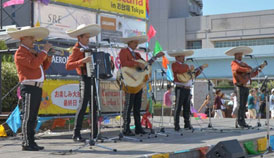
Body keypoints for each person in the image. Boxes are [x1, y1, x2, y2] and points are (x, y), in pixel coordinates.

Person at [7, 26, 52, 151]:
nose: (33, 40)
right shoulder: (20, 53)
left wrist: (48, 55)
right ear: (23, 39)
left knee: (33, 116)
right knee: (28, 116)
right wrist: (44, 52)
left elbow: (44, 66)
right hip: (29, 87)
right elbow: (33, 64)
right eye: (30, 38)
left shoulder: (32, 52)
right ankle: (26, 142)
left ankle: (31, 142)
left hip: (36, 88)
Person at [65, 24, 101, 142]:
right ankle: (76, 133)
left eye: (88, 37)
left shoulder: (88, 49)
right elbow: (68, 66)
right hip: (84, 78)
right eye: (86, 37)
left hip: (92, 79)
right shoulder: (76, 49)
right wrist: (82, 61)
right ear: (79, 38)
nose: (88, 40)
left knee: (94, 106)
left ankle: (94, 132)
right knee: (82, 105)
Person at [225, 46, 265, 128]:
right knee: (240, 104)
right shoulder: (234, 63)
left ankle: (241, 121)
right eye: (239, 54)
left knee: (243, 104)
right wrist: (246, 70)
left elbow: (250, 73)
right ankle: (240, 121)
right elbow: (237, 69)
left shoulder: (244, 64)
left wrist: (257, 70)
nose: (240, 56)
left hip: (246, 86)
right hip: (239, 85)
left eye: (241, 54)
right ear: (235, 55)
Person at [119, 34, 149, 136]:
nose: (136, 44)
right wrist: (136, 64)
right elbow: (124, 63)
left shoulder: (137, 55)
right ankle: (126, 128)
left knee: (137, 105)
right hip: (129, 81)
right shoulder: (124, 51)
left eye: (137, 43)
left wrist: (147, 63)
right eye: (135, 42)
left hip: (137, 82)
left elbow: (144, 65)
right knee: (128, 105)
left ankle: (138, 127)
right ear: (129, 42)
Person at [167, 49, 204, 131]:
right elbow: (178, 70)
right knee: (178, 106)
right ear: (177, 57)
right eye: (182, 57)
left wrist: (199, 70)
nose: (183, 58)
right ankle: (176, 124)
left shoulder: (186, 66)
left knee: (187, 107)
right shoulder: (175, 64)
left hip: (187, 88)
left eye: (184, 56)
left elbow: (191, 76)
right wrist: (189, 69)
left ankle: (187, 123)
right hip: (180, 88)